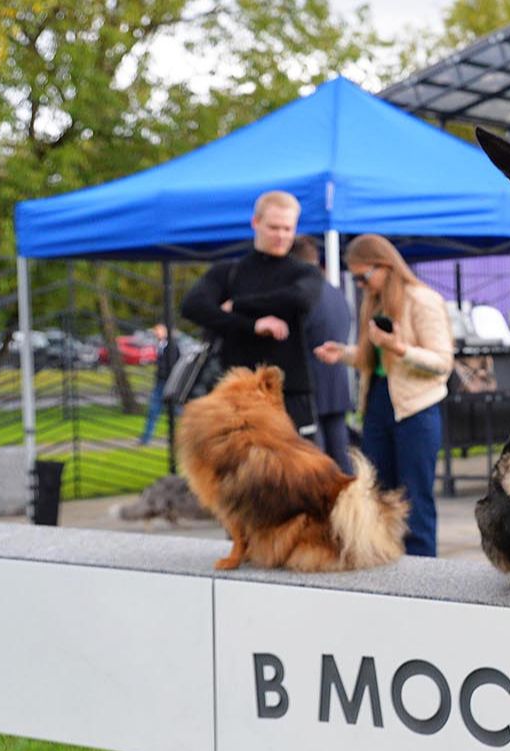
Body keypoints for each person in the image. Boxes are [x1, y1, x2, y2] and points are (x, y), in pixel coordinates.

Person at [313, 235, 453, 557]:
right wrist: (345, 353)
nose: (360, 284)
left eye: (364, 276)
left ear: (385, 266)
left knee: (414, 498)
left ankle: (421, 571)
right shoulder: (373, 301)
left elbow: (442, 362)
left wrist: (399, 348)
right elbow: (373, 360)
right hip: (377, 404)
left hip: (416, 409)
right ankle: (386, 561)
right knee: (377, 494)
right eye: (355, 278)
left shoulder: (422, 299)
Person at [180, 190, 323, 437]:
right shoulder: (229, 272)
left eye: (288, 229)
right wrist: (251, 326)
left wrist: (238, 305)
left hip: (290, 392)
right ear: (256, 223)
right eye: (274, 227)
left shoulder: (304, 272)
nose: (281, 236)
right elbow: (193, 306)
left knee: (297, 471)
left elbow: (301, 299)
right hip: (235, 391)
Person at [294, 236, 356, 475]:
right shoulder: (335, 292)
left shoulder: (303, 293)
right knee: (341, 457)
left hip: (308, 385)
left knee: (314, 461)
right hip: (336, 382)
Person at [137, 323, 179, 445]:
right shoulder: (161, 346)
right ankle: (146, 438)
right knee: (153, 411)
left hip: (168, 383)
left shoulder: (171, 346)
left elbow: (173, 364)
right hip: (161, 382)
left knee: (176, 411)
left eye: (159, 331)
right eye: (156, 331)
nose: (156, 333)